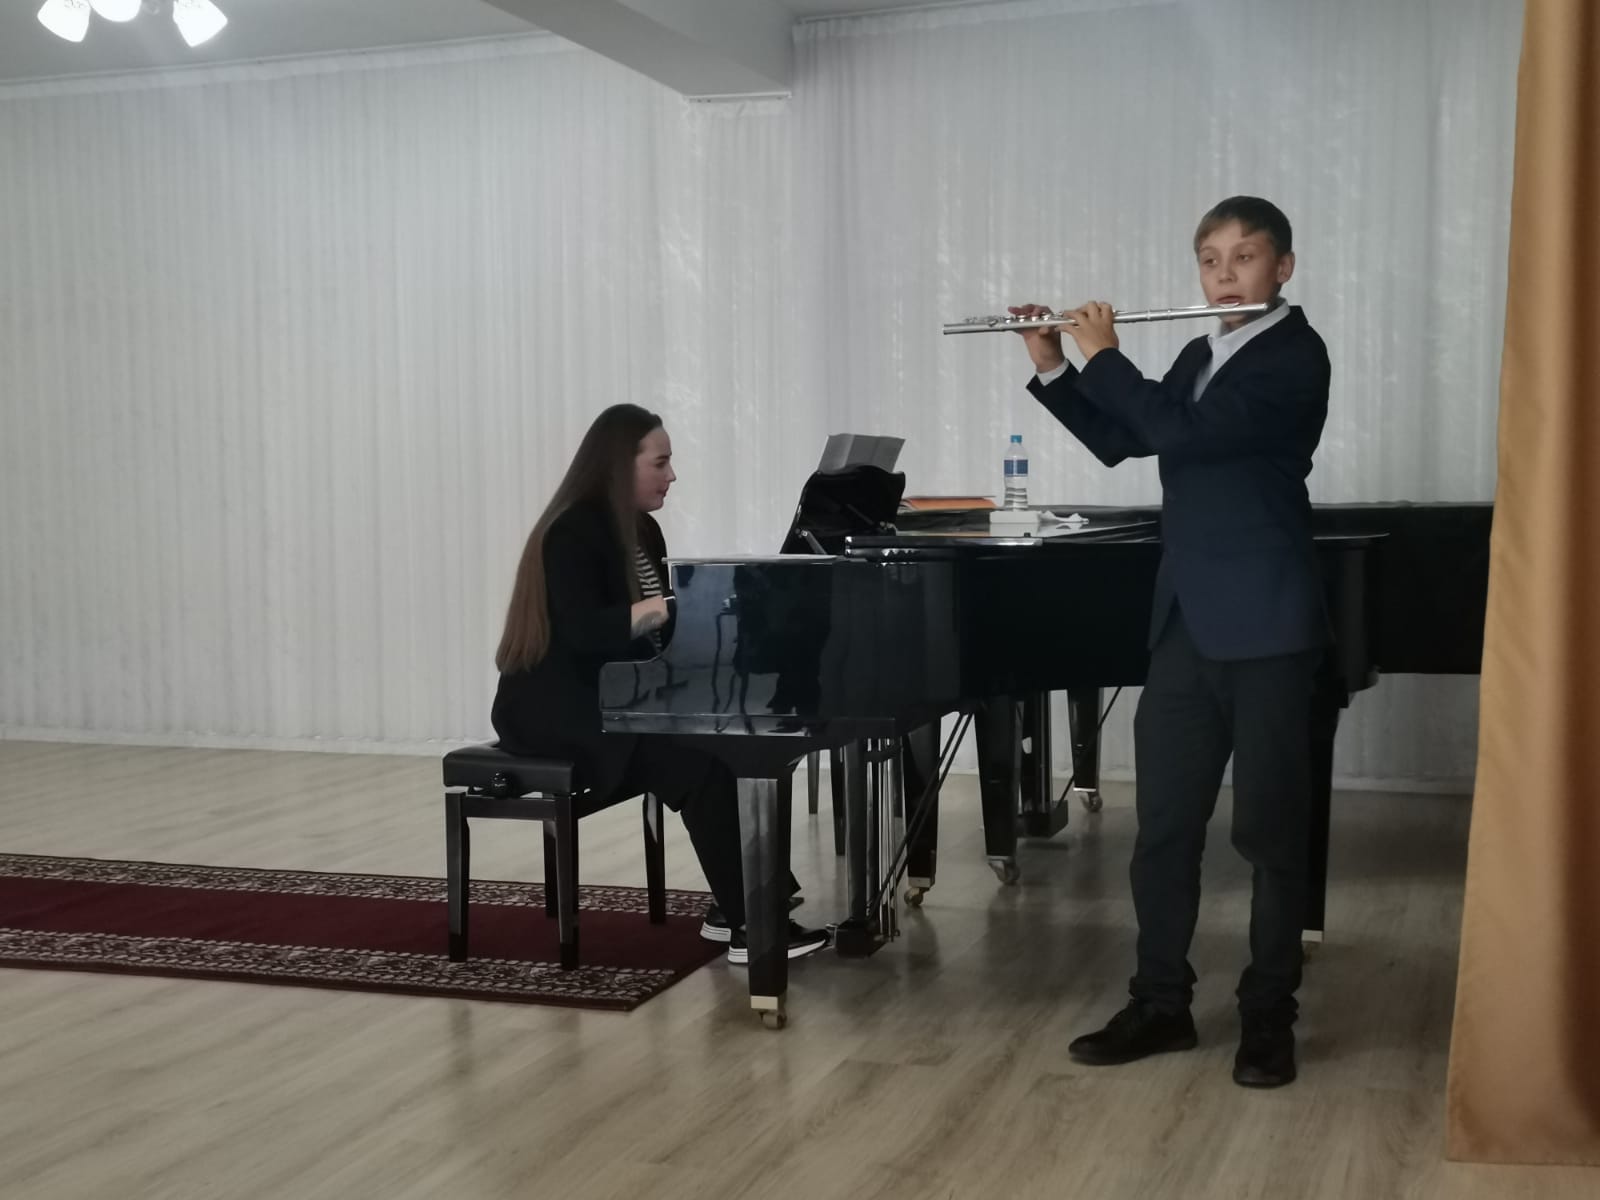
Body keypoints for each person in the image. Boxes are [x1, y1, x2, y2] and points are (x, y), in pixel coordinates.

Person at [1013, 196, 1331, 1088]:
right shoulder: (1199, 354)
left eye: (1244, 257)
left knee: (1270, 834)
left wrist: (1106, 355)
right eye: (1210, 259)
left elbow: (1182, 431)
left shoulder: (1296, 355)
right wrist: (1054, 367)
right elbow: (1129, 439)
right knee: (1163, 832)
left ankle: (1268, 1016)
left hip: (1267, 625)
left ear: (1282, 268)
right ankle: (1161, 1003)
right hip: (1186, 624)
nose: (1224, 275)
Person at [492, 403, 829, 963]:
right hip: (554, 709)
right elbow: (584, 632)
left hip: (608, 696)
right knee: (698, 763)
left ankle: (735, 906)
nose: (672, 475)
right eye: (660, 462)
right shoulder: (571, 532)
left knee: (736, 744)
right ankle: (754, 927)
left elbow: (653, 639)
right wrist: (665, 607)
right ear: (617, 465)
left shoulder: (642, 529)